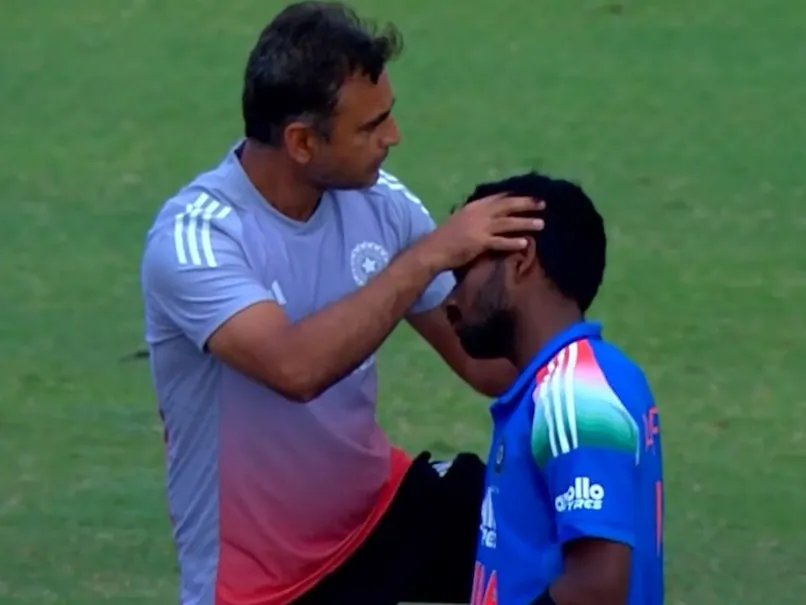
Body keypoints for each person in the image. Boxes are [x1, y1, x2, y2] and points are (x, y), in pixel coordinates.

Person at [139, 2, 544, 604]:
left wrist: (573, 369)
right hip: (262, 584)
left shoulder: (381, 204)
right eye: (371, 125)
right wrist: (427, 257)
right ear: (302, 142)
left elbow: (483, 366)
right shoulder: (198, 239)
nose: (394, 136)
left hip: (378, 514)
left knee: (549, 542)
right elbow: (294, 369)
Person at [445, 172, 664, 605]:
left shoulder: (574, 392)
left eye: (464, 270)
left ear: (521, 258)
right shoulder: (582, 379)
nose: (450, 301)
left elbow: (597, 586)